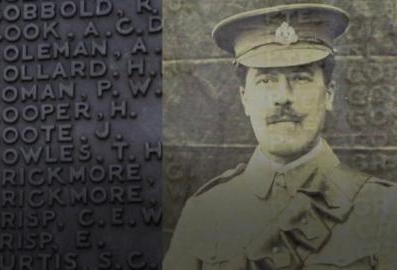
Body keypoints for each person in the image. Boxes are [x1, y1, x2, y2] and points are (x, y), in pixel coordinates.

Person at [163, 3, 397, 270]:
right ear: (245, 99)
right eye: (266, 80)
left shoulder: (384, 210)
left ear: (329, 93)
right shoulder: (205, 212)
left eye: (300, 78)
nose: (283, 97)